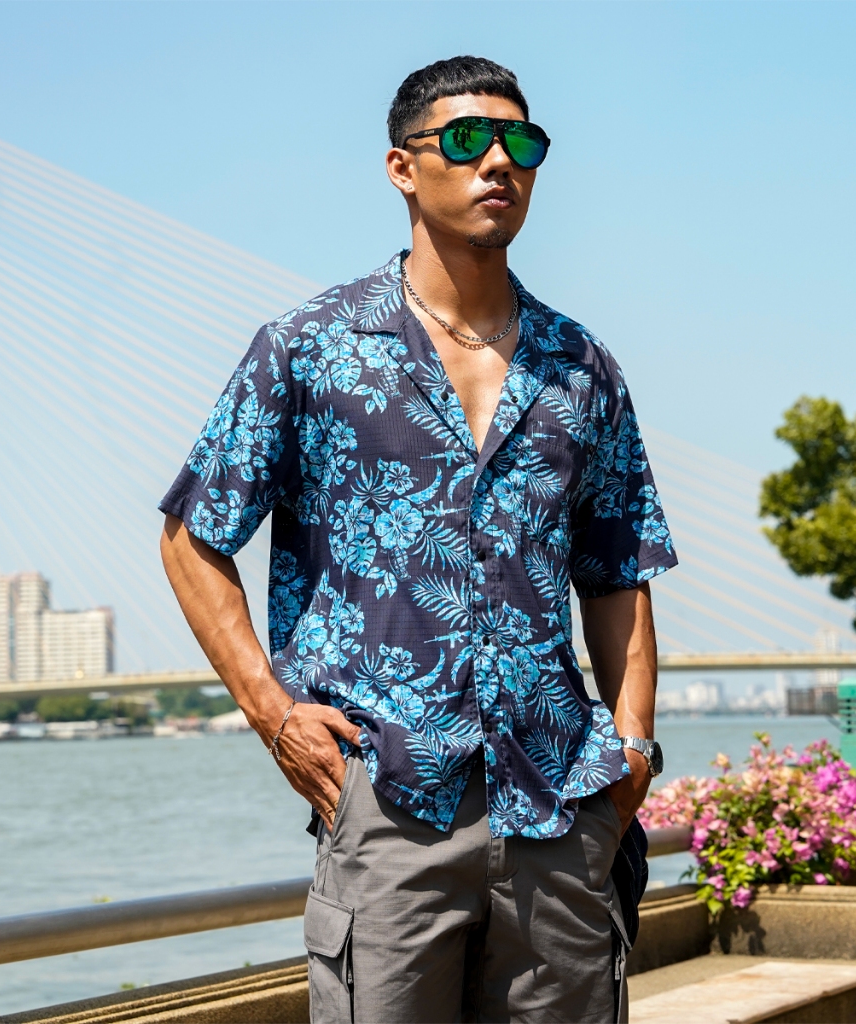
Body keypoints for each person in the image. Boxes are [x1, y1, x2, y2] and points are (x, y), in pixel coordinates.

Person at [159, 54, 676, 1024]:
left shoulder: (581, 367)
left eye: (521, 143)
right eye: (469, 139)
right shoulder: (310, 349)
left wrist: (634, 744)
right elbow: (193, 538)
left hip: (562, 801)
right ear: (402, 167)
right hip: (390, 799)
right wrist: (274, 714)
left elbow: (618, 570)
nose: (499, 162)